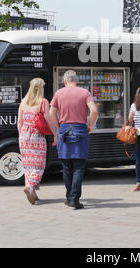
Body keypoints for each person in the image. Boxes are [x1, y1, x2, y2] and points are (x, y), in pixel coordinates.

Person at [49, 70, 98, 209]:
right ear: (76, 80)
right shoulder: (85, 93)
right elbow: (94, 111)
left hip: (64, 130)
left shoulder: (59, 93)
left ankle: (69, 197)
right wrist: (90, 125)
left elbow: (51, 113)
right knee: (78, 167)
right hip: (80, 130)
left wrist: (58, 127)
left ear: (65, 81)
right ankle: (74, 199)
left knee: (66, 167)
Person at [18, 78, 57, 205]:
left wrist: (21, 136)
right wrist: (55, 134)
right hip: (37, 136)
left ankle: (32, 192)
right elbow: (48, 120)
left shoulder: (23, 102)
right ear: (41, 88)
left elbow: (19, 121)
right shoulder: (43, 102)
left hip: (24, 136)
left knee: (28, 165)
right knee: (38, 165)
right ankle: (30, 186)